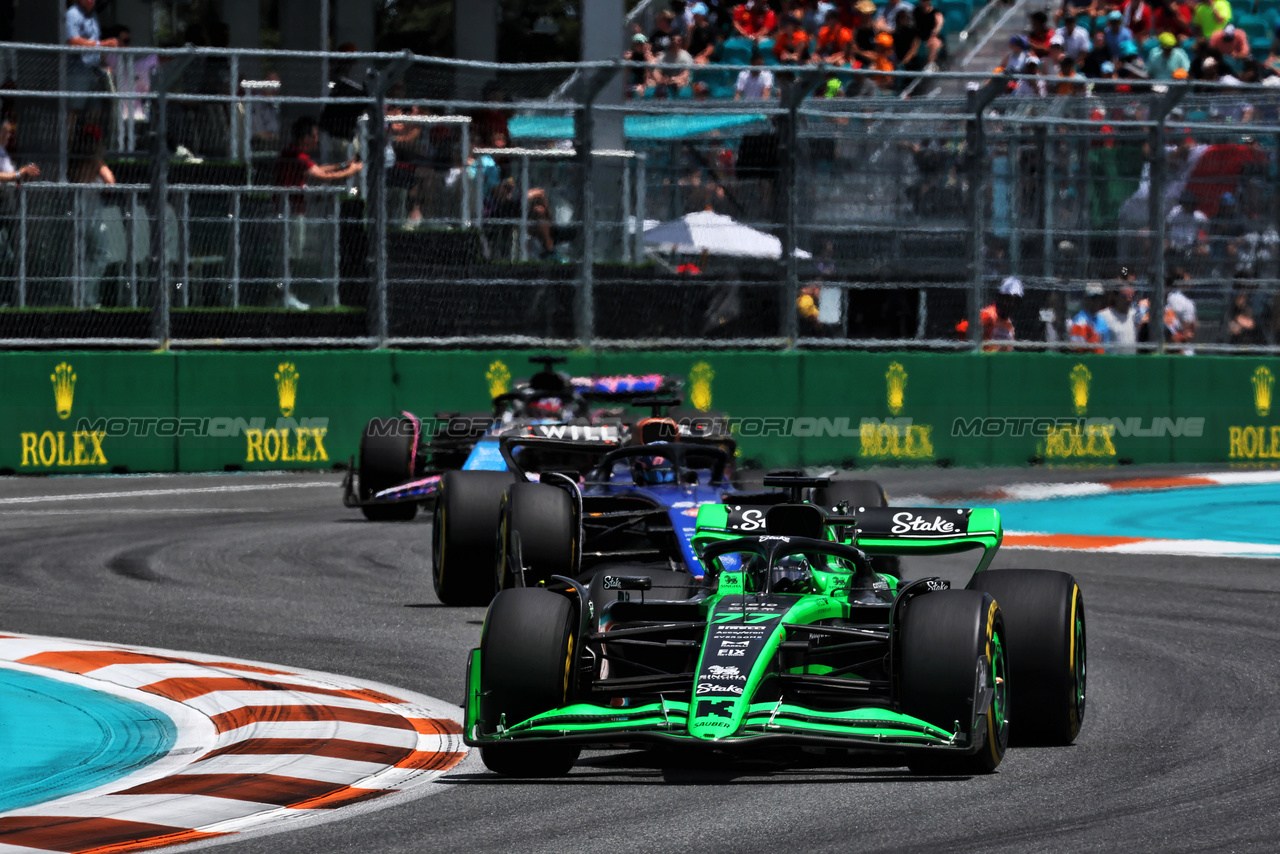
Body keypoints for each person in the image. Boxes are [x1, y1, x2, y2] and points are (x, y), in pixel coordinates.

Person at [956, 276, 1023, 350]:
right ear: (1001, 298)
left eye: (1015, 301)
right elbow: (962, 329)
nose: (1011, 304)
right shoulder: (988, 315)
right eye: (1009, 300)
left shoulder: (1009, 325)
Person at [1069, 282, 1112, 352]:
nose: (1097, 301)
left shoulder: (1102, 321)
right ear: (1086, 299)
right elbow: (1076, 349)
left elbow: (1107, 347)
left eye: (1099, 298)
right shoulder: (1079, 321)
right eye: (1094, 298)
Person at [1099, 285, 1139, 353]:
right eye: (1124, 297)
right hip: (1113, 361)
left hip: (1132, 361)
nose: (1128, 299)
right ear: (1115, 297)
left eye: (1131, 297)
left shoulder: (1135, 316)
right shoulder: (1103, 316)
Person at [0, 118, 39, 185]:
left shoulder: (3, 151)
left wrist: (26, 173)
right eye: (7, 132)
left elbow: (11, 174)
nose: (10, 136)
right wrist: (20, 173)